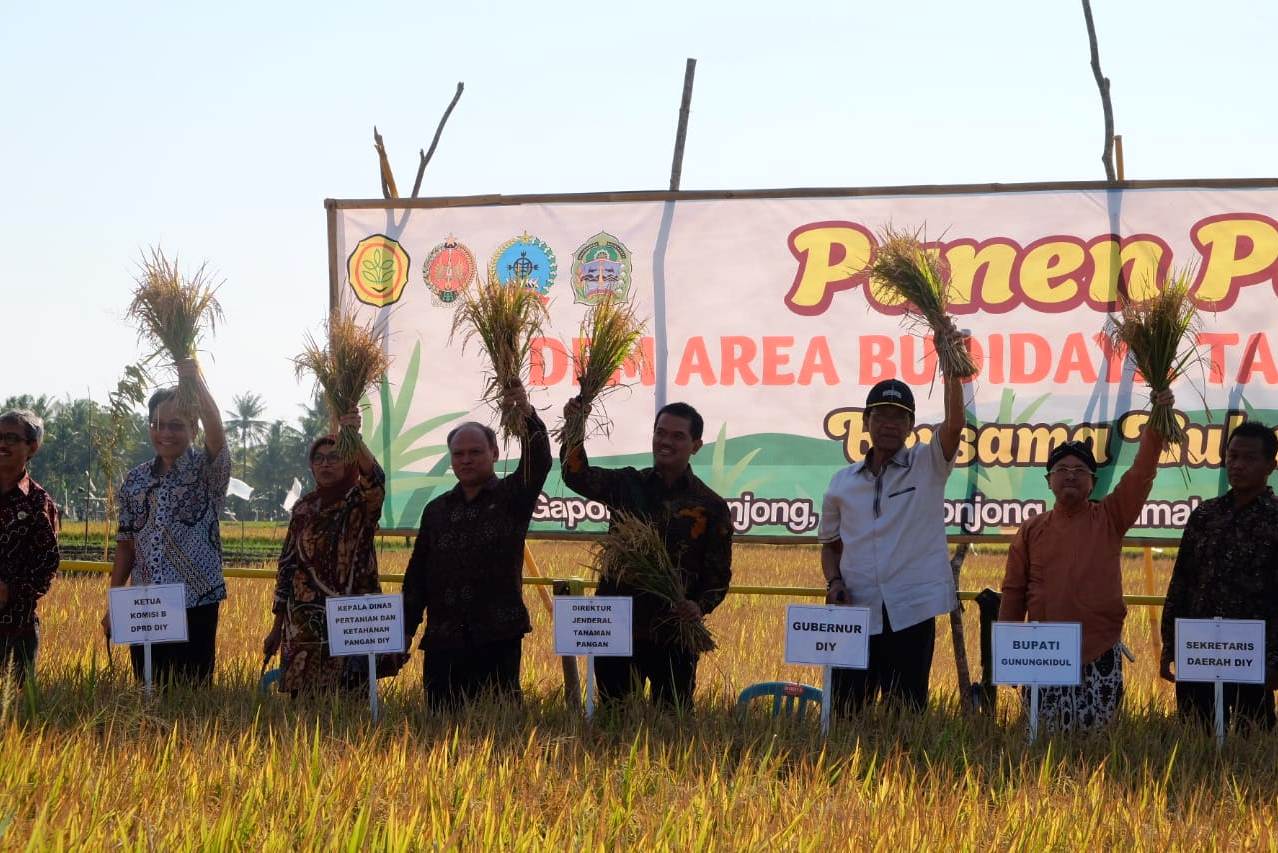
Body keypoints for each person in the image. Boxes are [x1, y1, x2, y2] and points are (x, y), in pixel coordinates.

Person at [999, 391, 1173, 734]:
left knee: (1097, 744)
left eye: (1080, 470)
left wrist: (1158, 419)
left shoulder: (1110, 516)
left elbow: (1141, 474)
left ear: (1093, 482)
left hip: (1100, 650)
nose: (1070, 475)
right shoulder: (1032, 530)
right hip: (1043, 653)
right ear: (1048, 481)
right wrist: (1009, 657)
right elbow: (1013, 593)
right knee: (1045, 741)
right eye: (1061, 469)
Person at [818, 333, 969, 714]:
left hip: (911, 609)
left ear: (911, 426)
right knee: (846, 710)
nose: (888, 423)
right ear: (866, 421)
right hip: (856, 611)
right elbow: (830, 545)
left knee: (906, 712)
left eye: (899, 416)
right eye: (880, 414)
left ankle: (903, 773)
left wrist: (951, 368)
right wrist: (834, 582)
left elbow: (954, 425)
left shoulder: (927, 464)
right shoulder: (842, 482)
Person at [560, 399, 733, 711]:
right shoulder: (627, 485)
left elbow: (718, 576)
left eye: (678, 436)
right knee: (616, 716)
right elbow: (577, 476)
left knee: (671, 721)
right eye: (660, 433)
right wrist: (575, 427)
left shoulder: (710, 505)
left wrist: (698, 606)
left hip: (675, 633)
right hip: (618, 627)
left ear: (696, 445)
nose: (666, 442)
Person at [401, 383, 550, 710]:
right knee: (440, 736)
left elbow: (538, 460)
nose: (466, 460)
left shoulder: (513, 497)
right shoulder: (437, 510)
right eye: (458, 454)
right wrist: (404, 631)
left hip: (497, 637)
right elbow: (417, 576)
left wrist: (523, 412)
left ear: (494, 454)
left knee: (497, 733)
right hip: (443, 640)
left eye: (475, 452)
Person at [103, 360, 230, 686]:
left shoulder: (207, 471)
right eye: (157, 424)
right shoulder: (135, 480)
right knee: (148, 689)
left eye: (176, 425)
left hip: (196, 601)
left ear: (193, 429)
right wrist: (114, 602)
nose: (165, 433)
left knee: (192, 694)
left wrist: (193, 379)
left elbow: (218, 434)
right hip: (145, 603)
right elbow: (126, 544)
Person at [1160, 420, 1278, 730]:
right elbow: (1181, 583)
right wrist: (1171, 644)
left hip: (1253, 657)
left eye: (1249, 458)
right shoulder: (1205, 515)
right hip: (1199, 652)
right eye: (1232, 456)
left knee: (1249, 740)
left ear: (1271, 465)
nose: (1237, 465)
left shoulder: (1275, 519)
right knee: (1195, 735)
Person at [263, 412, 387, 694]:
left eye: (334, 457)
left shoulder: (360, 503)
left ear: (348, 462)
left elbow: (376, 478)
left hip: (351, 615)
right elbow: (287, 566)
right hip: (303, 624)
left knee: (348, 700)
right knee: (303, 704)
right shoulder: (303, 508)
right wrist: (277, 626)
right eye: (319, 459)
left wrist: (352, 437)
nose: (325, 464)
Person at [0, 409, 60, 683]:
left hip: (15, 631)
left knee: (13, 714)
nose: (3, 444)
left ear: (32, 447)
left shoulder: (38, 503)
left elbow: (46, 567)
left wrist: (8, 591)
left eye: (12, 438)